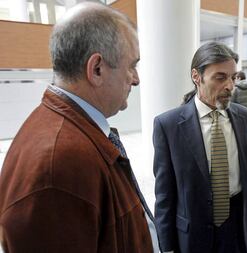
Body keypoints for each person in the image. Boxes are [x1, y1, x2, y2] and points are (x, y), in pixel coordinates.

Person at [0, 2, 158, 252]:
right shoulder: (59, 164)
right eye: (132, 65)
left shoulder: (69, 133)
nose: (136, 79)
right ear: (96, 69)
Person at [153, 41, 247, 253]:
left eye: (232, 77)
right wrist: (166, 248)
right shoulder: (168, 125)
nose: (230, 85)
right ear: (196, 76)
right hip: (193, 235)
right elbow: (164, 197)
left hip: (238, 228)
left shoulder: (245, 117)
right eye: (220, 77)